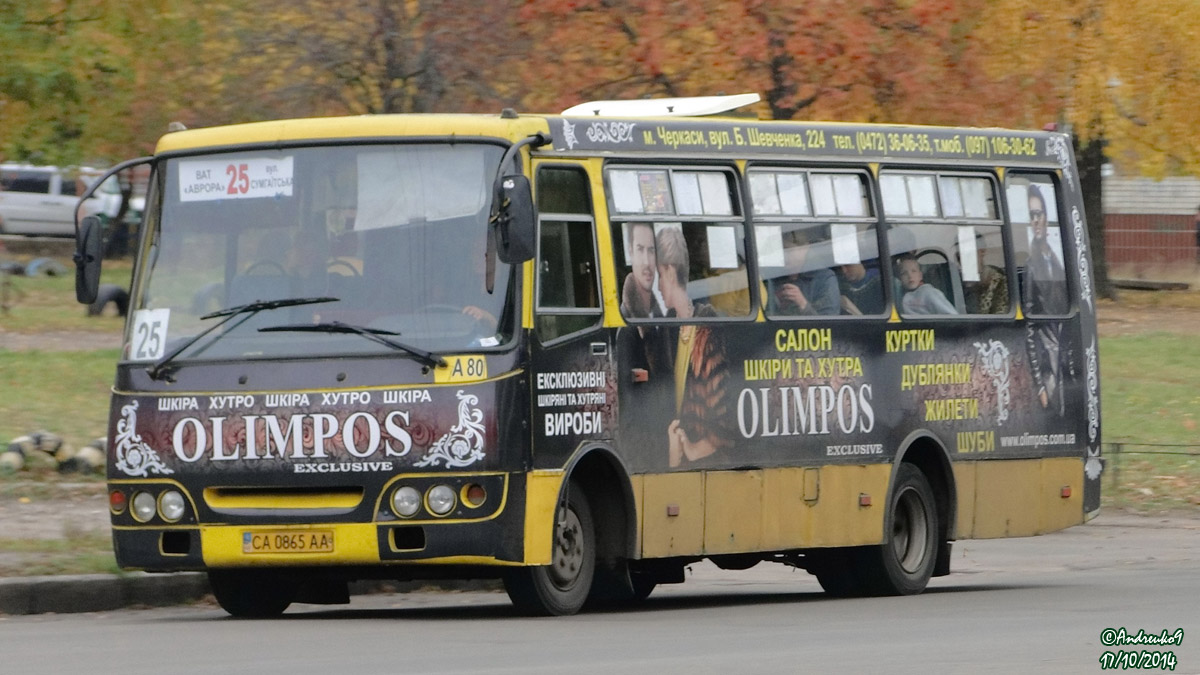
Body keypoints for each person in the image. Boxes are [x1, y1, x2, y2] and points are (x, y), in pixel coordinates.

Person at [654, 227, 735, 467]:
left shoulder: (707, 332)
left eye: (659, 274)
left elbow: (725, 420)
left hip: (706, 464)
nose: (658, 286)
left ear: (669, 272)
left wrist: (692, 449)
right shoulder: (669, 327)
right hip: (676, 460)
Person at [1023, 185, 1069, 414]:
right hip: (1048, 370)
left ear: (1046, 217)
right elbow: (1029, 328)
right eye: (1031, 216)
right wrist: (1039, 385)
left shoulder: (1057, 261)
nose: (1036, 221)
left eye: (1039, 214)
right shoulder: (1031, 267)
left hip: (1067, 367)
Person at [767, 229, 840, 316]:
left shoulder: (824, 279)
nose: (782, 256)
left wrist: (803, 304)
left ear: (804, 249)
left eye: (787, 250)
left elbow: (830, 323)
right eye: (780, 251)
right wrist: (776, 302)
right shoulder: (770, 276)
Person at [620, 222, 664, 318]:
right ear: (631, 253)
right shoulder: (624, 321)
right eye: (640, 249)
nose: (647, 262)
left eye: (651, 250)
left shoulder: (659, 315)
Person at [959, 236, 1008, 314]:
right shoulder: (955, 280)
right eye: (959, 254)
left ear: (982, 252)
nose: (962, 257)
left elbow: (1001, 316)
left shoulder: (997, 281)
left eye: (968, 253)